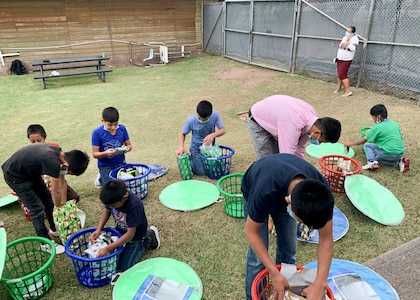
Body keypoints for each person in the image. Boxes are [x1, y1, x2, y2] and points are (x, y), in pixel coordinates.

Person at [241, 153, 334, 300]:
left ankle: (284, 294)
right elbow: (251, 232)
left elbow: (327, 238)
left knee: (289, 250)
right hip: (257, 185)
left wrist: (320, 283)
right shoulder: (264, 190)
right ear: (288, 202)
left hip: (283, 183)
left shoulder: (321, 193)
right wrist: (273, 272)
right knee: (257, 260)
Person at [2, 143, 89, 254]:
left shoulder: (59, 154)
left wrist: (62, 205)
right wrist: (59, 210)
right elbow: (55, 191)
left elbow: (62, 183)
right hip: (15, 176)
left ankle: (54, 229)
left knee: (48, 200)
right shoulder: (52, 161)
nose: (66, 174)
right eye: (69, 173)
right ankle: (45, 242)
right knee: (37, 208)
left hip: (30, 173)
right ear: (67, 165)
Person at [90, 179, 161, 271]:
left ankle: (148, 238)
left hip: (135, 237)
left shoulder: (134, 205)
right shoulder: (113, 198)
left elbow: (130, 234)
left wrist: (108, 248)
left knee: (124, 266)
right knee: (114, 257)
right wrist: (98, 229)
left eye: (114, 206)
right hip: (120, 230)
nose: (111, 207)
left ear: (125, 196)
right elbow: (107, 211)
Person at [247, 95, 341, 159]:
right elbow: (286, 155)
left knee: (278, 157)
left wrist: (300, 166)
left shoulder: (312, 122)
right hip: (258, 119)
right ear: (317, 132)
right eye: (321, 141)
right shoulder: (293, 125)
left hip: (278, 119)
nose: (319, 143)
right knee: (268, 160)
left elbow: (299, 148)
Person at [344, 104, 409, 172]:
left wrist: (350, 144)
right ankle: (399, 162)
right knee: (378, 158)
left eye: (373, 118)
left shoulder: (376, 128)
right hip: (400, 152)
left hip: (389, 153)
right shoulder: (395, 124)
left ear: (378, 117)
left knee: (367, 145)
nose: (373, 120)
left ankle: (372, 162)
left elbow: (364, 140)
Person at [27, 124, 80, 202]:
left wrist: (63, 202)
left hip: (55, 179)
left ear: (44, 137)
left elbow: (61, 174)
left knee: (74, 197)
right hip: (41, 183)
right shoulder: (28, 154)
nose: (36, 144)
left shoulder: (54, 148)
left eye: (39, 140)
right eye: (33, 142)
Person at [175, 100, 226, 175]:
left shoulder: (215, 115)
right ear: (197, 113)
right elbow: (182, 133)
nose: (201, 120)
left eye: (204, 119)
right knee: (201, 172)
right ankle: (188, 158)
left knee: (216, 168)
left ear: (210, 115)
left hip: (208, 148)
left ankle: (200, 161)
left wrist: (212, 135)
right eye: (199, 118)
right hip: (196, 149)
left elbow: (223, 130)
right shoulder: (191, 120)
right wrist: (181, 146)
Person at [92, 107, 132, 186]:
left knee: (128, 185)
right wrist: (106, 153)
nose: (113, 127)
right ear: (103, 121)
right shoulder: (96, 133)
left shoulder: (122, 128)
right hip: (106, 166)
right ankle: (100, 179)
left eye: (115, 124)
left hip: (121, 163)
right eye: (109, 125)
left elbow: (129, 146)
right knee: (112, 188)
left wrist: (126, 149)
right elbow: (95, 154)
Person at [334, 26, 359, 97]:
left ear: (352, 32)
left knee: (342, 74)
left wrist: (348, 43)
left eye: (348, 32)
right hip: (340, 58)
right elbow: (340, 46)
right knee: (339, 74)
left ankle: (348, 91)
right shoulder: (344, 37)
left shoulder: (355, 39)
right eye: (346, 31)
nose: (347, 33)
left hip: (346, 60)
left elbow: (353, 49)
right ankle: (338, 88)